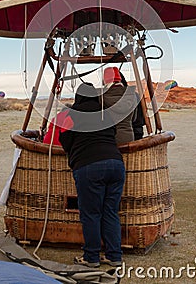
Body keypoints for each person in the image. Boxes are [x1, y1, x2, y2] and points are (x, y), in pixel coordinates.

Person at [59, 82, 125, 268]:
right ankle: (114, 256)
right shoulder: (106, 113)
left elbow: (64, 140)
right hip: (116, 164)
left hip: (89, 166)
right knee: (110, 212)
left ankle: (92, 257)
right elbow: (113, 134)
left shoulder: (71, 114)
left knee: (91, 214)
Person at [101, 67, 136, 145]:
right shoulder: (132, 95)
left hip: (110, 138)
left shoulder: (102, 97)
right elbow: (134, 119)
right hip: (129, 137)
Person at [119, 71, 145, 140]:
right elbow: (142, 119)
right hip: (137, 132)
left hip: (132, 133)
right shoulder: (135, 95)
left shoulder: (109, 97)